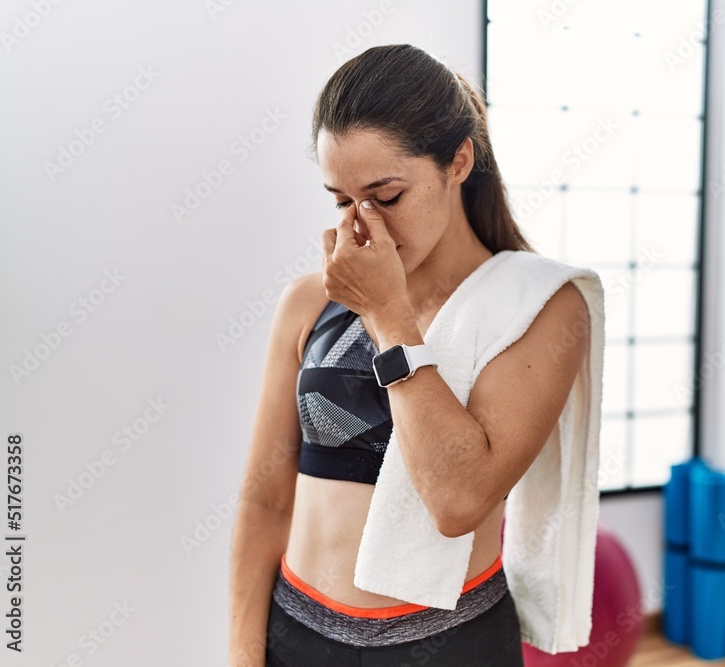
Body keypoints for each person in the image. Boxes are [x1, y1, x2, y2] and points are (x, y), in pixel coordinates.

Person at [228, 43, 591, 666]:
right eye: (342, 201)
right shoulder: (308, 303)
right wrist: (241, 655)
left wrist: (387, 315)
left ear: (458, 161)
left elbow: (457, 502)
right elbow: (265, 499)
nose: (363, 228)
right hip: (295, 637)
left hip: (449, 646)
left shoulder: (538, 307)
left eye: (387, 195)